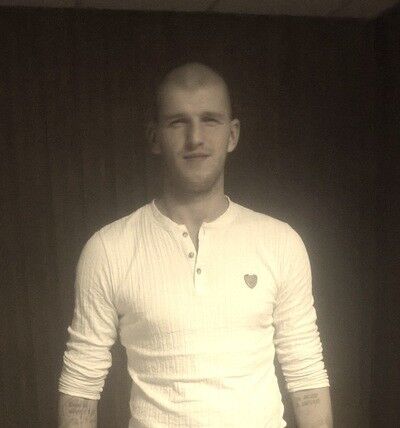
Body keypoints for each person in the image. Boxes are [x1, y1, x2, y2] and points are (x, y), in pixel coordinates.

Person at [58, 62, 333, 427]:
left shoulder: (281, 242)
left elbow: (306, 374)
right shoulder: (108, 249)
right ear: (155, 137)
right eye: (178, 122)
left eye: (210, 120)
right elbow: (81, 383)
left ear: (232, 135)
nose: (195, 138)